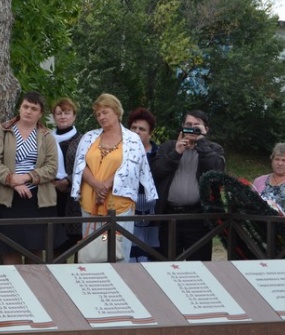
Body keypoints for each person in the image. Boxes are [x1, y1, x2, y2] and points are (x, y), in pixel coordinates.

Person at [71, 95, 157, 261]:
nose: (101, 117)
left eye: (105, 112)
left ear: (117, 112)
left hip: (118, 204)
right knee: (95, 248)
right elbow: (80, 164)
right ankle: (93, 283)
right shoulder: (89, 137)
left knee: (116, 248)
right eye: (98, 114)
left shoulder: (132, 139)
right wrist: (97, 185)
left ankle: (118, 282)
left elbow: (132, 165)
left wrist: (105, 186)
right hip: (91, 204)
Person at [0, 91, 59, 264]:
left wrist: (27, 177)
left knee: (34, 250)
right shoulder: (3, 130)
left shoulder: (47, 135)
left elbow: (52, 167)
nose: (28, 111)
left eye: (33, 108)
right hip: (8, 198)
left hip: (38, 200)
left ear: (40, 113)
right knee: (9, 247)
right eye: (25, 106)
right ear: (19, 108)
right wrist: (13, 181)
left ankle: (34, 288)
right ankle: (13, 288)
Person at [152, 109, 225, 261]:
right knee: (167, 266)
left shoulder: (213, 149)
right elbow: (155, 173)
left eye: (197, 125)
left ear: (206, 129)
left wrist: (201, 143)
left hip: (199, 219)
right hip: (169, 218)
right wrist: (176, 153)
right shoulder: (168, 147)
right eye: (188, 124)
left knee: (199, 267)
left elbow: (218, 172)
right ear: (182, 126)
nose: (192, 128)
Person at [127, 107, 160, 262]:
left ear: (150, 133)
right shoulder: (120, 153)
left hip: (152, 214)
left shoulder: (159, 154)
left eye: (142, 129)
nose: (137, 131)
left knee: (151, 259)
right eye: (133, 128)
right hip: (127, 212)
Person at [52, 98, 82, 255]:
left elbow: (86, 165)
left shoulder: (83, 140)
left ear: (74, 116)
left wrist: (68, 180)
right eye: (59, 113)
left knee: (77, 244)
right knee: (55, 246)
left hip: (76, 198)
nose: (63, 116)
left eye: (67, 113)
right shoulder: (46, 139)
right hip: (51, 195)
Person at [252, 143, 285, 213]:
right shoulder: (258, 181)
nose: (280, 163)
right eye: (277, 159)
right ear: (272, 160)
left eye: (284, 160)